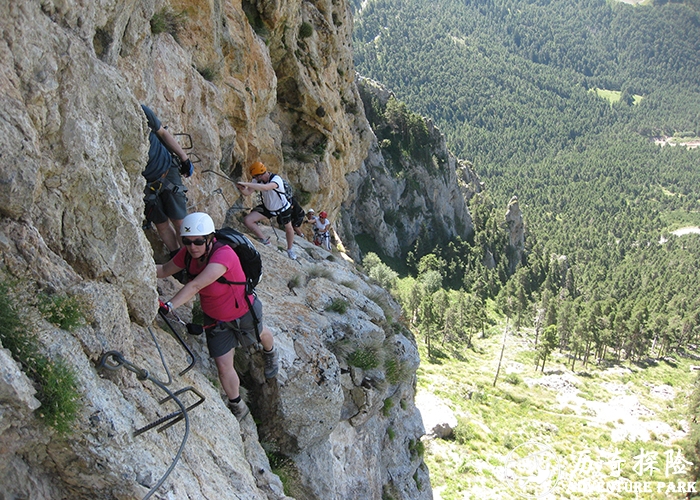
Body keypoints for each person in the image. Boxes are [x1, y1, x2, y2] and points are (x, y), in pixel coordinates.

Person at [156, 212, 279, 420]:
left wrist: (170, 305)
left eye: (198, 241)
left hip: (243, 312)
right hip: (215, 319)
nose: (192, 246)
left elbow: (196, 285)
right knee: (223, 366)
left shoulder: (224, 255)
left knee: (260, 333)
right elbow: (164, 270)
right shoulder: (187, 254)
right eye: (187, 241)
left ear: (210, 238)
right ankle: (238, 405)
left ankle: (271, 353)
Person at [141, 104, 194, 255]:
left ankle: (189, 258)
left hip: (166, 170)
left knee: (179, 221)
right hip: (146, 183)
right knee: (161, 224)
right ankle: (176, 256)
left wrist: (184, 159)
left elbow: (163, 133)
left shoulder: (142, 111)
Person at [236, 161, 297, 260]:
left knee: (289, 228)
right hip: (268, 207)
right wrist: (242, 188)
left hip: (282, 207)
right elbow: (247, 192)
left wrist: (245, 183)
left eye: (255, 176)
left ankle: (290, 249)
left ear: (259, 175)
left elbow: (265, 187)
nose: (254, 178)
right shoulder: (257, 180)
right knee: (248, 220)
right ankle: (264, 240)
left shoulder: (276, 179)